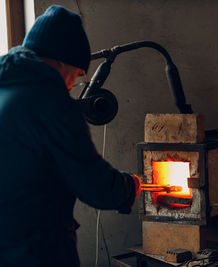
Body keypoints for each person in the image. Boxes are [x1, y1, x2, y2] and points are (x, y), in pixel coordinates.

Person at [0, 5, 141, 267]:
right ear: (62, 62)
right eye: (77, 76)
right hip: (35, 250)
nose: (72, 85)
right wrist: (129, 187)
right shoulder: (50, 102)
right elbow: (93, 183)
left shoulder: (6, 89)